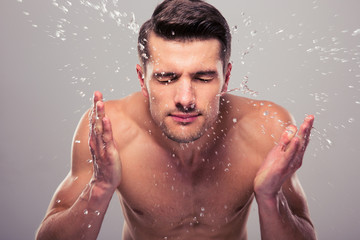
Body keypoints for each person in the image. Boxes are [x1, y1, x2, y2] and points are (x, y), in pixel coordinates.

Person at [36, 0, 317, 239]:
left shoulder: (267, 128)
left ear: (226, 78)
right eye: (166, 78)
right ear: (142, 80)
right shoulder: (110, 129)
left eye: (203, 77)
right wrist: (100, 187)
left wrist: (270, 196)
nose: (185, 98)